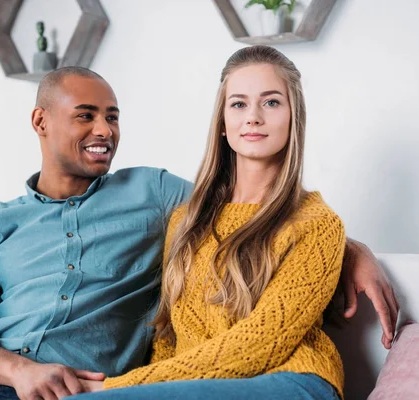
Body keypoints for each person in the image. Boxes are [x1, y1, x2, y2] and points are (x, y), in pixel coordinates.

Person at [0, 65, 397, 400]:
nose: (105, 130)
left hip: (82, 390)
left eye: (112, 116)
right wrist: (19, 371)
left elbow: (250, 212)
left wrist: (355, 250)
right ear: (41, 122)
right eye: (86, 116)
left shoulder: (154, 194)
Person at [67, 46, 381, 399]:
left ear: (295, 118)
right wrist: (137, 384)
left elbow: (264, 342)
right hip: (198, 386)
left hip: (292, 379)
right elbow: (169, 338)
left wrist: (114, 387)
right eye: (239, 104)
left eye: (272, 102)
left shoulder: (316, 223)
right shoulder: (185, 220)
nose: (253, 117)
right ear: (222, 122)